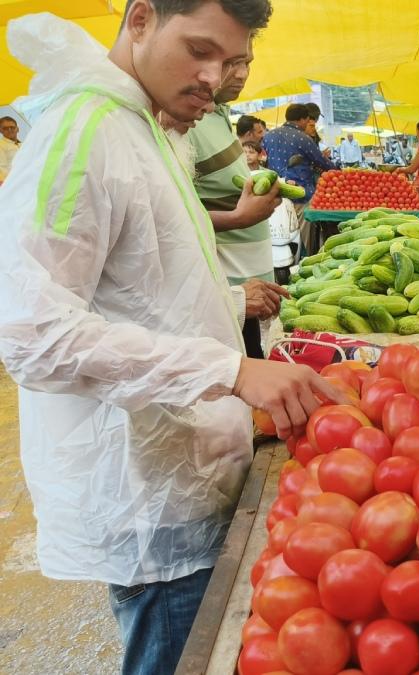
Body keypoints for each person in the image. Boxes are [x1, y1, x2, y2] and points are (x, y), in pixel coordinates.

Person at [0, 4, 347, 675]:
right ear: (140, 20)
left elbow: (143, 281)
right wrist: (232, 369)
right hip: (149, 496)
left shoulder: (147, 125)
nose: (214, 78)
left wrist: (227, 303)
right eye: (198, 50)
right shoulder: (85, 131)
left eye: (233, 62)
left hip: (182, 467)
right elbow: (31, 331)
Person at [188, 41, 285, 359]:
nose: (242, 74)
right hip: (225, 297)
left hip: (246, 294)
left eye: (248, 63)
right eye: (233, 62)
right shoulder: (186, 123)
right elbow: (173, 215)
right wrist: (239, 218)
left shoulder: (216, 117)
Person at [262, 103, 334, 253]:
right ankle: (303, 262)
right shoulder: (303, 138)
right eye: (307, 120)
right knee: (302, 237)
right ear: (302, 119)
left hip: (275, 193)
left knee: (278, 232)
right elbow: (321, 161)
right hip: (300, 195)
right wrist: (339, 171)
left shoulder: (268, 136)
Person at [0, 115, 20, 184]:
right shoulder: (1, 146)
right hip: (13, 183)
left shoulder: (23, 144)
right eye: (5, 128)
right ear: (0, 130)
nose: (9, 130)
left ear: (17, 129)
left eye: (12, 127)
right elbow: (2, 169)